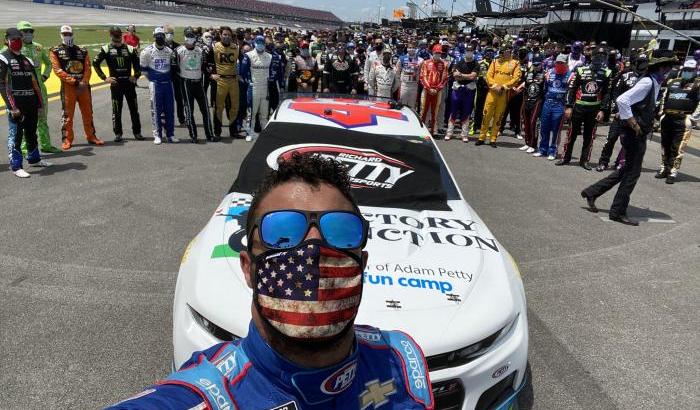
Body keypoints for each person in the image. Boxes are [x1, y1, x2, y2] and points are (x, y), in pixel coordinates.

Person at [105, 154, 435, 410]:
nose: (314, 248)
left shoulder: (401, 359)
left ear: (361, 264)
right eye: (282, 232)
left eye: (340, 230)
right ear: (248, 268)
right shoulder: (208, 394)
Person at [581, 50, 677, 226]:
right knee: (632, 174)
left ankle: (592, 192)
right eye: (669, 66)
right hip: (634, 134)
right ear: (661, 67)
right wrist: (634, 123)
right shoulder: (647, 82)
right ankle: (617, 212)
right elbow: (622, 100)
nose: (670, 70)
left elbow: (642, 106)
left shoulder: (654, 83)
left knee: (627, 171)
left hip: (638, 133)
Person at [1, 28, 51, 178]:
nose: (17, 42)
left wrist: (39, 104)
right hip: (16, 104)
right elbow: (2, 84)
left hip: (31, 103)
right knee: (15, 135)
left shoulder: (26, 60)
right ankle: (16, 166)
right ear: (7, 40)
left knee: (31, 132)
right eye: (14, 39)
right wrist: (12, 106)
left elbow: (35, 83)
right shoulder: (3, 58)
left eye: (19, 39)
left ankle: (34, 159)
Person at [557, 47, 612, 170]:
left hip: (594, 109)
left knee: (589, 136)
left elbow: (607, 94)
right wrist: (569, 107)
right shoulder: (581, 70)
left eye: (603, 56)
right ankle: (566, 158)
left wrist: (603, 110)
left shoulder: (607, 73)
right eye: (598, 55)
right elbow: (572, 89)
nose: (600, 58)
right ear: (592, 57)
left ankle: (584, 160)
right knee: (571, 134)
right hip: (579, 108)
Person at [50, 25, 104, 150]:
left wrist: (84, 82)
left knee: (88, 112)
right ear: (60, 35)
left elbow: (88, 68)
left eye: (69, 34)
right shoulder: (55, 51)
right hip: (68, 87)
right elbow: (57, 70)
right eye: (64, 34)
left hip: (83, 87)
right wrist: (74, 82)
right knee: (68, 115)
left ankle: (91, 136)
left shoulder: (82, 50)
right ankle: (67, 139)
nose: (67, 36)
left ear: (73, 34)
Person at [11, 21, 61, 153]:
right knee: (24, 120)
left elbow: (49, 63)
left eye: (30, 31)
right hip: (23, 91)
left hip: (40, 90)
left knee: (42, 119)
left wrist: (45, 76)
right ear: (19, 33)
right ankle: (24, 148)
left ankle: (46, 145)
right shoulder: (15, 50)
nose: (28, 33)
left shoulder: (38, 47)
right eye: (24, 31)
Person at [596, 54, 647, 171]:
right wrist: (618, 110)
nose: (641, 65)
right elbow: (615, 94)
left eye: (644, 62)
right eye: (640, 62)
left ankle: (621, 163)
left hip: (635, 117)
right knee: (610, 139)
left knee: (627, 142)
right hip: (620, 116)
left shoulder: (647, 80)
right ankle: (603, 162)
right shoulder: (625, 76)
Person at [92, 26, 142, 142]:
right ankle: (118, 133)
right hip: (116, 85)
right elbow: (95, 63)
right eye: (115, 36)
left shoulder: (130, 49)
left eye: (118, 35)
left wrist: (135, 76)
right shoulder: (106, 49)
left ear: (121, 35)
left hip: (129, 85)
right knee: (116, 110)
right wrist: (104, 78)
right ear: (111, 36)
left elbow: (138, 66)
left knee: (134, 109)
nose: (117, 38)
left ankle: (137, 132)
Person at [655, 59, 698, 184]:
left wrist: (693, 118)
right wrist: (661, 113)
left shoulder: (697, 84)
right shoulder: (673, 82)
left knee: (677, 148)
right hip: (668, 117)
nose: (687, 72)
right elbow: (664, 97)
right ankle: (664, 168)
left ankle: (673, 171)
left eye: (690, 70)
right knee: (665, 145)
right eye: (685, 70)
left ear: (695, 71)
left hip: (683, 119)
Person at [477, 44, 521, 147]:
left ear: (510, 51)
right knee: (486, 115)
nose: (504, 52)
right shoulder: (495, 61)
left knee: (498, 117)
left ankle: (493, 139)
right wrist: (495, 86)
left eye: (506, 50)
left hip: (503, 94)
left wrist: (504, 87)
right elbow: (488, 75)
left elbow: (516, 78)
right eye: (502, 50)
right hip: (492, 93)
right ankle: (481, 137)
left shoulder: (515, 63)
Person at [175, 27, 214, 143]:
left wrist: (210, 73)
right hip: (186, 83)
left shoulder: (201, 51)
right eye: (188, 36)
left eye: (192, 36)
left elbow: (204, 66)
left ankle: (210, 135)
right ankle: (193, 135)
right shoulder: (178, 51)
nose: (190, 38)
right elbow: (175, 69)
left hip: (199, 83)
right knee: (189, 111)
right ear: (184, 37)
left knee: (206, 110)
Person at [140, 27, 178, 144]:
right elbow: (144, 70)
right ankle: (157, 134)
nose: (160, 37)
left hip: (168, 84)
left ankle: (170, 134)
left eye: (162, 35)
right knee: (156, 110)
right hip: (155, 84)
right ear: (154, 36)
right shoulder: (146, 51)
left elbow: (173, 68)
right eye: (158, 35)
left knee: (170, 110)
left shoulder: (169, 51)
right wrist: (153, 80)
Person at [535, 53, 570, 160]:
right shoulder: (549, 72)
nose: (559, 64)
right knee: (544, 127)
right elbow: (545, 88)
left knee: (556, 130)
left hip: (559, 105)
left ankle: (552, 151)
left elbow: (570, 93)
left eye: (561, 63)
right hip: (547, 103)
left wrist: (567, 107)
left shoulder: (570, 75)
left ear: (566, 64)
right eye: (557, 62)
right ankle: (542, 149)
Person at [209, 26, 240, 140]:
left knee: (234, 106)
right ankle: (217, 132)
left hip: (233, 80)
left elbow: (242, 61)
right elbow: (206, 62)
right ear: (220, 35)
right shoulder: (215, 47)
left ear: (232, 36)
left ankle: (234, 131)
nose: (227, 37)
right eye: (224, 35)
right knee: (218, 107)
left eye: (229, 35)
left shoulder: (236, 48)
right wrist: (211, 74)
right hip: (220, 81)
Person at [242, 35, 274, 142]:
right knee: (252, 112)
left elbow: (272, 71)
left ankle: (265, 133)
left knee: (264, 113)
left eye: (262, 42)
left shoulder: (269, 56)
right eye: (258, 42)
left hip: (265, 88)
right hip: (253, 87)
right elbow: (243, 72)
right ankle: (249, 132)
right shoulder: (248, 55)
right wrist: (249, 83)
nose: (260, 44)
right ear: (254, 43)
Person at [444, 46, 477, 142]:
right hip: (457, 89)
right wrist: (465, 76)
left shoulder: (476, 63)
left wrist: (461, 75)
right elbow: (454, 74)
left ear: (473, 52)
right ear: (465, 51)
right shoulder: (459, 60)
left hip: (469, 90)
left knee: (466, 112)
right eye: (468, 50)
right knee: (453, 111)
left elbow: (473, 76)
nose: (469, 52)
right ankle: (449, 133)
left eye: (471, 51)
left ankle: (464, 134)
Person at [419, 44, 449, 135]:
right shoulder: (425, 63)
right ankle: (422, 130)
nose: (438, 55)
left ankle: (433, 131)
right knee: (423, 110)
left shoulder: (444, 64)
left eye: (439, 53)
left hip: (438, 92)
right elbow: (422, 76)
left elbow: (445, 78)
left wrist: (437, 89)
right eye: (436, 53)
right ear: (432, 52)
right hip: (426, 90)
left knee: (435, 111)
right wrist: (429, 88)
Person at [519, 53, 545, 153]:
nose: (536, 66)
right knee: (525, 122)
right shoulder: (528, 74)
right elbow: (525, 86)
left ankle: (533, 145)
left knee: (533, 123)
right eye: (534, 64)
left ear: (541, 64)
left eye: (538, 64)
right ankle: (527, 142)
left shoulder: (545, 74)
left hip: (537, 102)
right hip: (527, 100)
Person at [500, 46, 528, 139]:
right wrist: (511, 86)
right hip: (509, 90)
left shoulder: (528, 65)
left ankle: (517, 131)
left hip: (520, 91)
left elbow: (527, 78)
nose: (522, 54)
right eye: (521, 52)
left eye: (524, 52)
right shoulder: (511, 63)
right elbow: (507, 76)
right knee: (505, 110)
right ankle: (500, 129)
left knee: (517, 113)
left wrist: (520, 87)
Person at [470, 46, 493, 135]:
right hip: (480, 88)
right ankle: (474, 126)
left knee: (487, 109)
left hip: (490, 89)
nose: (489, 54)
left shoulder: (495, 64)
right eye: (488, 52)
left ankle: (486, 128)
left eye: (491, 52)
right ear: (484, 53)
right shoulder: (479, 63)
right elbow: (476, 75)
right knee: (477, 108)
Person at [396, 41, 421, 110]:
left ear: (416, 49)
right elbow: (398, 71)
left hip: (414, 85)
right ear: (407, 48)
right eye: (410, 47)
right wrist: (399, 81)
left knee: (412, 105)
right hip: (404, 84)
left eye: (413, 47)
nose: (411, 49)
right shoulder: (402, 58)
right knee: (402, 103)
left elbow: (421, 72)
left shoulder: (420, 60)